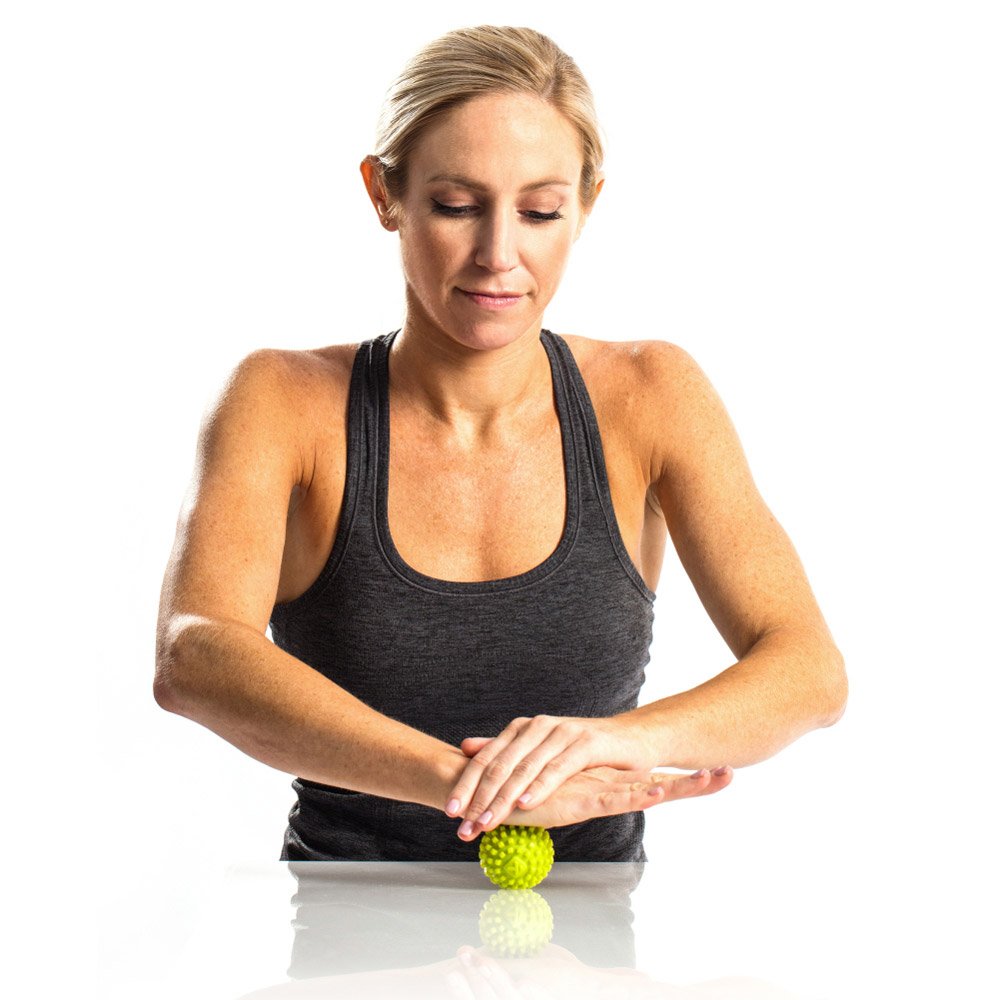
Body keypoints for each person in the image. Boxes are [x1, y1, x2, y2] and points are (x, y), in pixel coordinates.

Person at [153, 25, 847, 862]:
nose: (498, 254)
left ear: (585, 206)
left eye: (541, 211)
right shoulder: (279, 401)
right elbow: (195, 651)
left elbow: (808, 668)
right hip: (344, 922)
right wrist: (474, 784)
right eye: (456, 205)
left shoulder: (652, 394)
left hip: (592, 932)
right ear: (384, 194)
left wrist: (608, 743)